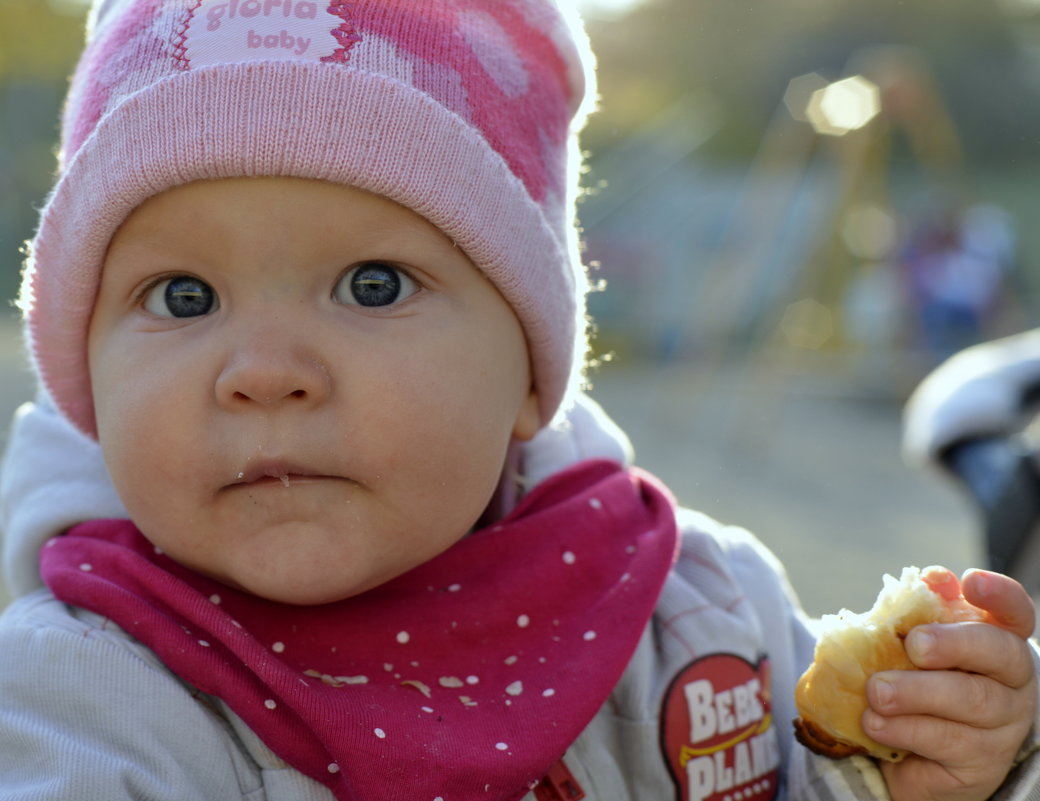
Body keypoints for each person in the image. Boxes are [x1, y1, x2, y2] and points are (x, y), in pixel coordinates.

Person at [0, 2, 1037, 800]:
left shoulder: (702, 615)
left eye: (374, 283)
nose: (264, 370)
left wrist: (923, 764)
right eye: (181, 297)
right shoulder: (79, 705)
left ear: (528, 376)